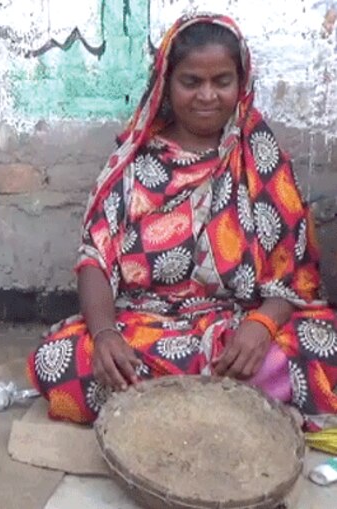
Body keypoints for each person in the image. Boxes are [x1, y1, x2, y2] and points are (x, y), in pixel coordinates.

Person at [27, 14, 337, 428]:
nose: (207, 96)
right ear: (166, 84)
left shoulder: (262, 159)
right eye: (191, 82)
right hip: (148, 326)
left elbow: (295, 277)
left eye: (222, 82)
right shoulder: (133, 163)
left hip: (240, 327)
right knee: (57, 360)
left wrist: (262, 325)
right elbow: (95, 260)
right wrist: (104, 335)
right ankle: (232, 409)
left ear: (241, 82)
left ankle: (163, 411)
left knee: (322, 348)